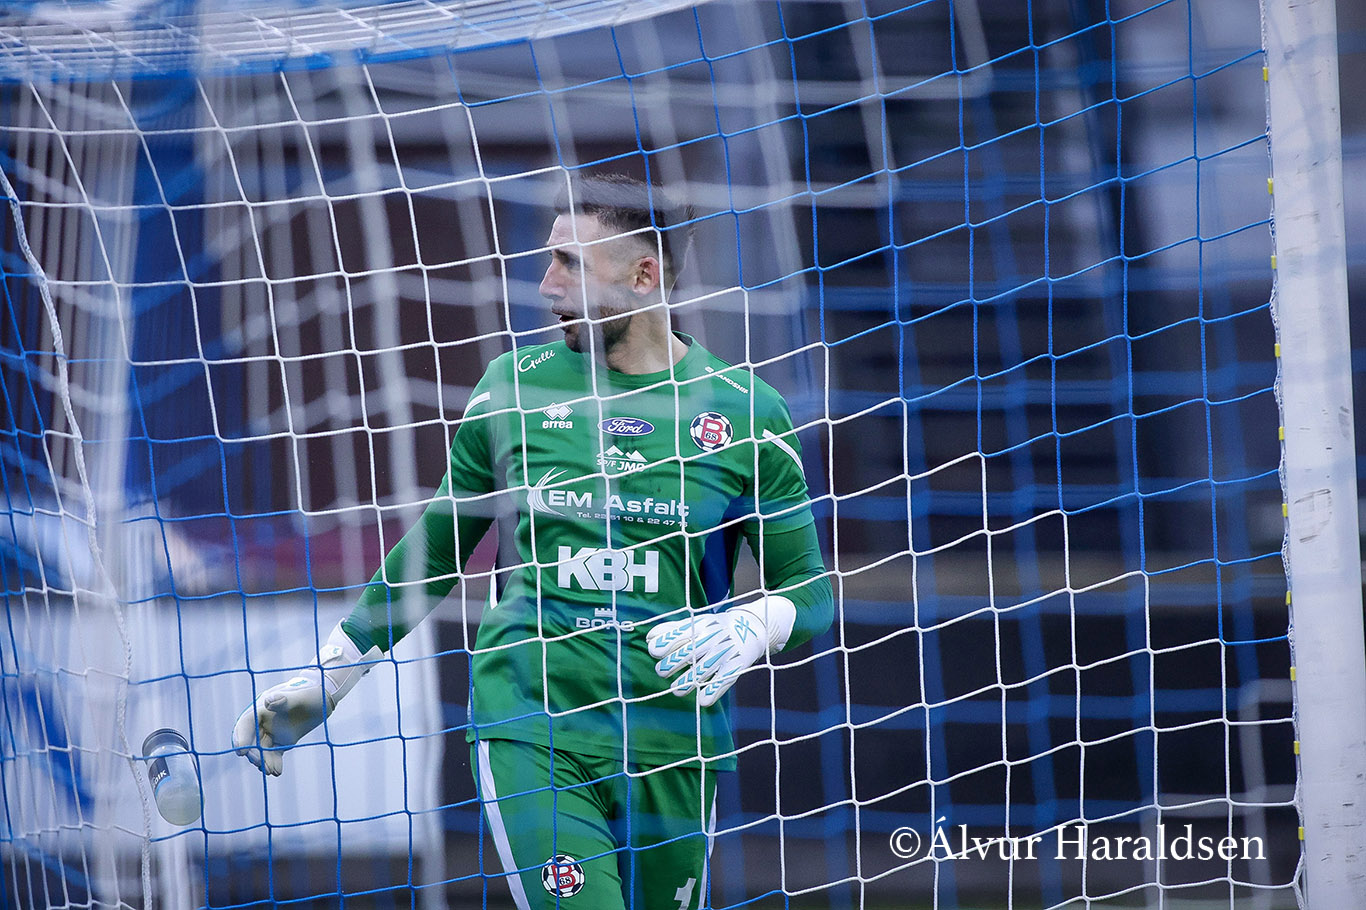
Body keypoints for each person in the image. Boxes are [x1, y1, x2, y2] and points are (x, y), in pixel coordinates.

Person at [232, 173, 833, 909]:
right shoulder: (513, 387)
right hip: (532, 722)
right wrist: (332, 677)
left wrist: (758, 621)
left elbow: (810, 593)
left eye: (570, 264)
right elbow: (438, 551)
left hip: (675, 739)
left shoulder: (745, 412)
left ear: (644, 276)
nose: (547, 285)